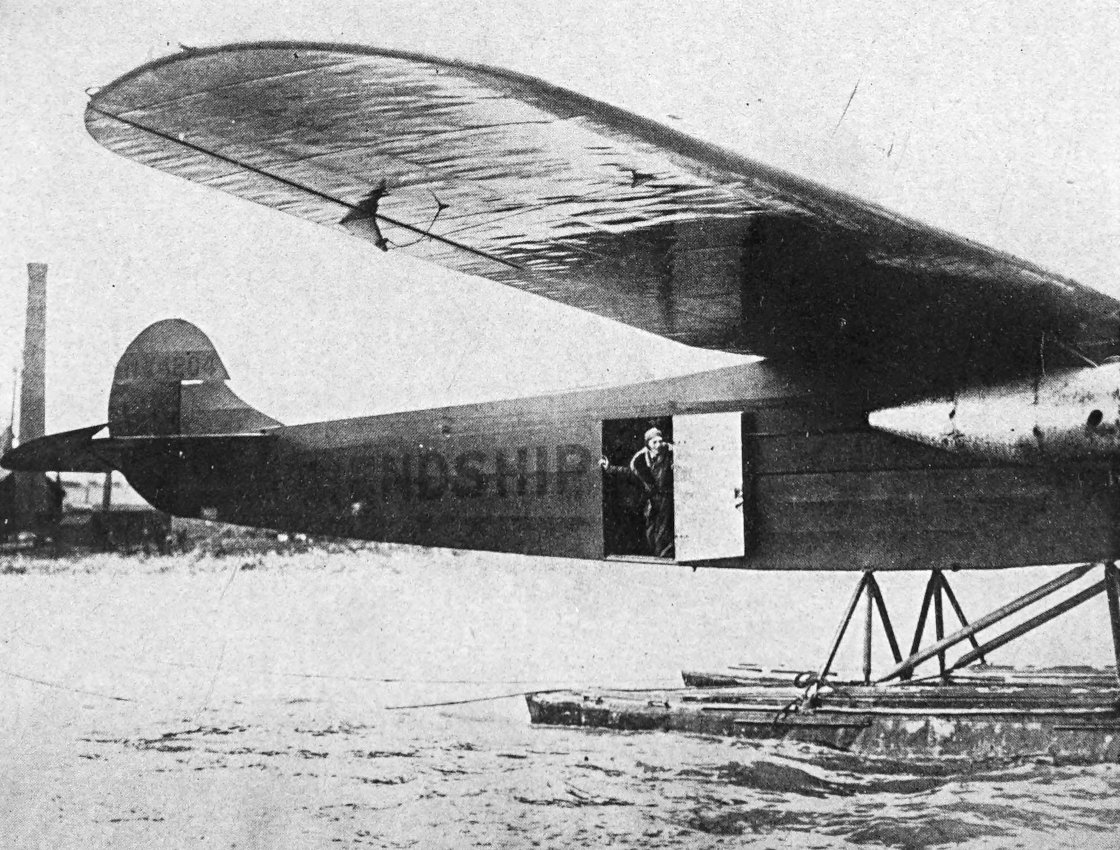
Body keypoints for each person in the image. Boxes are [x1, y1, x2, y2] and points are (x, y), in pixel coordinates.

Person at [629, 427, 674, 558]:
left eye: (660, 441)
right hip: (651, 499)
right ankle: (656, 555)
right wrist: (609, 468)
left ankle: (663, 556)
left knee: (663, 530)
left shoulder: (670, 452)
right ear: (647, 443)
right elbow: (630, 472)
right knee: (650, 530)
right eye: (654, 442)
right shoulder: (640, 459)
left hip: (665, 497)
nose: (658, 445)